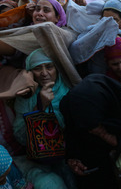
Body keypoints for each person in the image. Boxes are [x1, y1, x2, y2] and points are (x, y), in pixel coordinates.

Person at [60, 74, 121, 189]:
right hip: (95, 171)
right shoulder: (73, 107)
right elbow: (72, 135)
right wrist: (73, 158)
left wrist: (107, 136)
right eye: (89, 128)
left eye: (97, 125)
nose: (93, 130)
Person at [12, 48, 70, 189]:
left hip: (70, 156)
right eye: (38, 68)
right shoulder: (26, 97)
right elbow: (19, 135)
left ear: (57, 68)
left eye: (49, 67)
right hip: (41, 159)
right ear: (30, 72)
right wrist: (40, 107)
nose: (44, 73)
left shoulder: (69, 89)